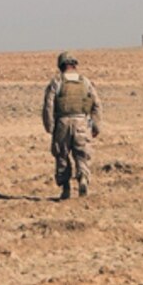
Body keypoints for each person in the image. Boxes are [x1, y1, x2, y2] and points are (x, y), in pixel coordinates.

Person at [43, 52, 102, 199]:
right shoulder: (85, 82)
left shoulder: (57, 82)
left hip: (62, 123)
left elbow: (48, 105)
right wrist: (96, 125)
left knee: (61, 155)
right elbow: (96, 105)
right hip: (82, 122)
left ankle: (65, 187)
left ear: (61, 65)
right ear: (74, 65)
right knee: (82, 155)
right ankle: (83, 178)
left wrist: (49, 126)